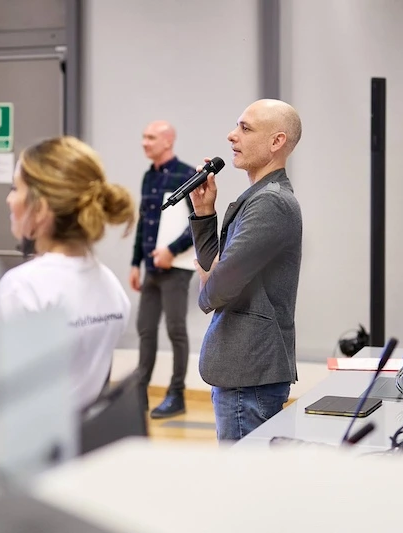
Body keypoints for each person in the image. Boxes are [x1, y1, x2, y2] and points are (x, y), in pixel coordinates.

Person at [0, 135, 136, 412]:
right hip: (85, 443)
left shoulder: (22, 288)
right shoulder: (111, 286)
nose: (9, 200)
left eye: (14, 188)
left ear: (40, 208)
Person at [189, 99, 303, 442]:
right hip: (244, 374)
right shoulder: (259, 197)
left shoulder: (270, 203)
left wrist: (209, 283)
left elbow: (218, 286)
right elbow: (217, 268)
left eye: (245, 128)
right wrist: (204, 212)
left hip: (249, 374)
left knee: (246, 485)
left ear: (276, 142)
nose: (231, 136)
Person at [129, 120, 197, 419]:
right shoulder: (148, 177)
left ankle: (176, 394)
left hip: (176, 269)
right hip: (150, 269)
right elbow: (144, 222)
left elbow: (200, 224)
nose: (145, 142)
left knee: (176, 331)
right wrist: (135, 262)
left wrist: (171, 251)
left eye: (151, 137)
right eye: (144, 137)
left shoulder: (187, 175)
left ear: (168, 141)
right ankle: (139, 394)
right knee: (145, 329)